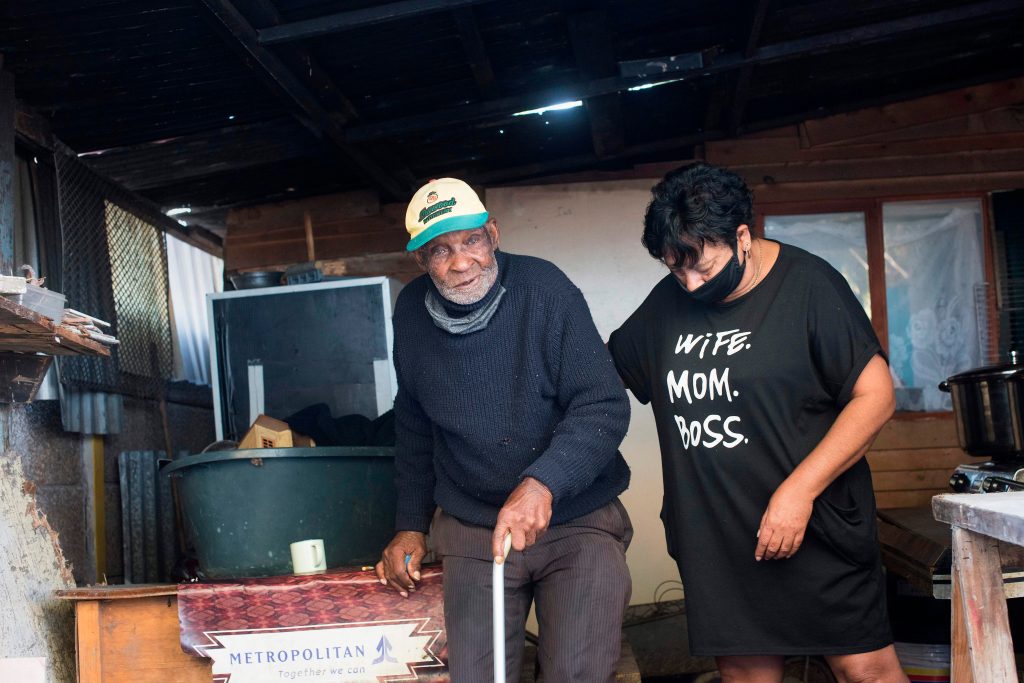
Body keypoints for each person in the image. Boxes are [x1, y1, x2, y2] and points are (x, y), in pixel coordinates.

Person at [607, 163, 908, 683]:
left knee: (866, 671)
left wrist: (798, 492)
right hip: (718, 534)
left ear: (742, 235)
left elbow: (875, 396)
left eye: (702, 265)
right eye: (675, 269)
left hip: (815, 522)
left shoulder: (809, 286)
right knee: (747, 675)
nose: (691, 283)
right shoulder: (667, 305)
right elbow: (600, 380)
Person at [375, 177, 633, 683]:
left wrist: (543, 483)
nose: (461, 262)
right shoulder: (410, 312)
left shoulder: (544, 289)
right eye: (440, 250)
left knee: (578, 672)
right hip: (474, 524)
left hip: (575, 519)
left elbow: (602, 403)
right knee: (478, 677)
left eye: (471, 240)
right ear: (420, 261)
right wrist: (410, 523)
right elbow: (413, 424)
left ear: (493, 233)